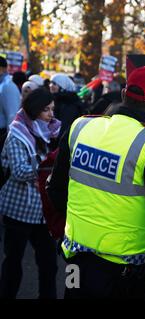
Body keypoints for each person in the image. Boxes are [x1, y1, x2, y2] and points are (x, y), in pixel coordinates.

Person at [47, 66, 145, 298]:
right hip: (126, 275)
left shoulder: (81, 127)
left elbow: (57, 191)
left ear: (123, 95)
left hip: (76, 265)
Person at [0, 88, 61, 298]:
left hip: (43, 212)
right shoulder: (17, 133)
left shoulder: (49, 131)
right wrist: (50, 170)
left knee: (49, 266)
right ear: (34, 110)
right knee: (13, 265)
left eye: (52, 109)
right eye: (46, 110)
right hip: (18, 210)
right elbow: (18, 171)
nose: (51, 115)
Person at [49, 73, 87, 140]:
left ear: (63, 87)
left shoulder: (69, 103)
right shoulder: (55, 99)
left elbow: (64, 127)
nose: (50, 86)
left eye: (54, 84)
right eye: (50, 83)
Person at [0, 56, 21, 137]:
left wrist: (9, 139)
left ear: (3, 69)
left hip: (3, 134)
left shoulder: (8, 86)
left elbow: (12, 115)